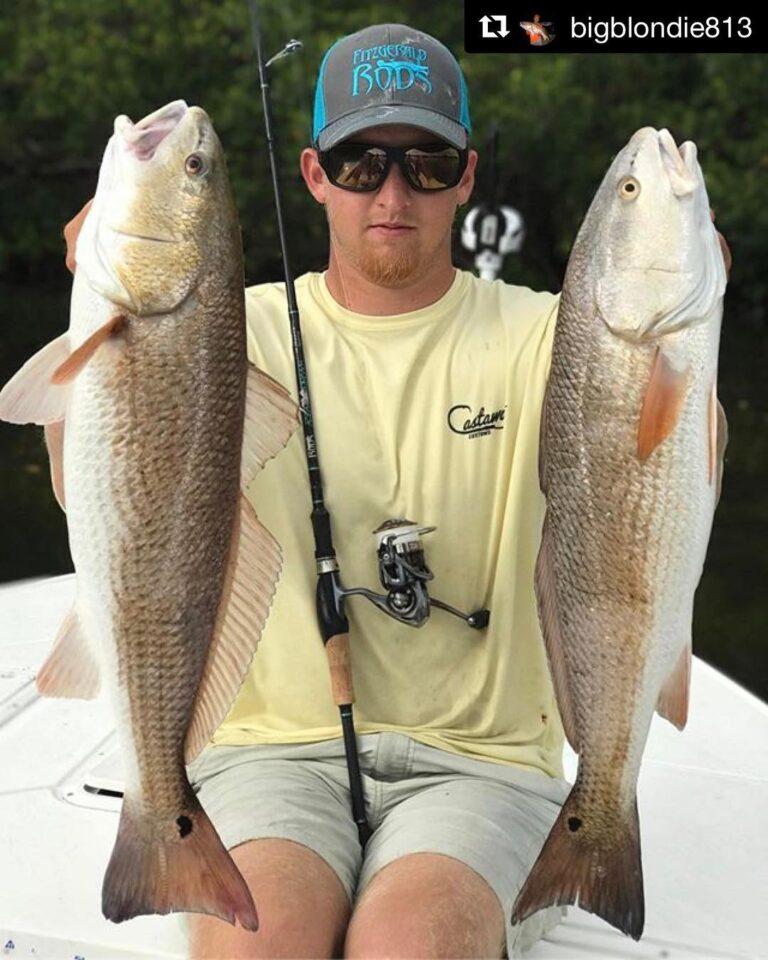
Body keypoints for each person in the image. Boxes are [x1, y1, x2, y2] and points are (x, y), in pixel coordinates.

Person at [58, 23, 731, 960]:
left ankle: (581, 835)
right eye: (360, 160)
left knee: (409, 946)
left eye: (426, 161)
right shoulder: (222, 327)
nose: (392, 189)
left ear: (466, 176)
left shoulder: (562, 338)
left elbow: (664, 433)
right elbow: (91, 471)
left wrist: (690, 269)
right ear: (313, 172)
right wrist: (95, 275)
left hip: (483, 762)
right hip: (269, 750)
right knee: (262, 946)